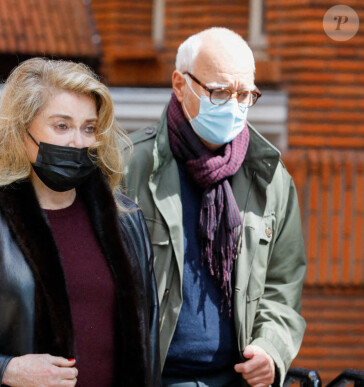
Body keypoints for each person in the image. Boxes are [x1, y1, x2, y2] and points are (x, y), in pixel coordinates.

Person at [0, 57, 161, 387]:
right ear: (22, 132)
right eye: (61, 126)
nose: (78, 141)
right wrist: (5, 370)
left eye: (88, 128)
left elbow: (146, 341)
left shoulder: (125, 221)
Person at [123, 27, 306, 387]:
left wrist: (271, 349)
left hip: (234, 379)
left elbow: (282, 286)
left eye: (245, 94)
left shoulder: (269, 177)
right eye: (220, 92)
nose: (235, 106)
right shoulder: (128, 167)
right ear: (180, 84)